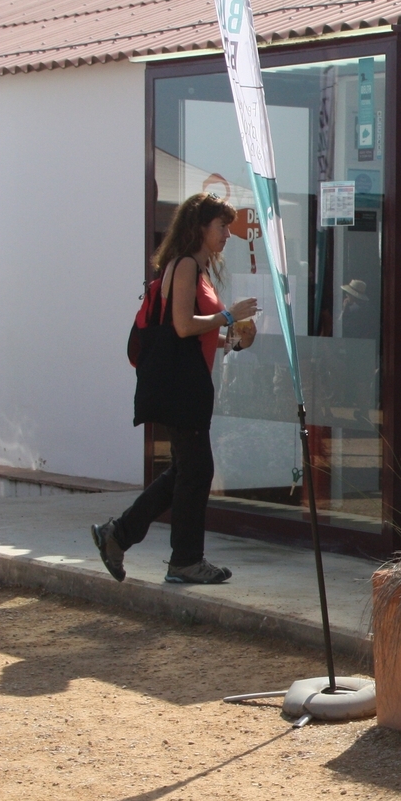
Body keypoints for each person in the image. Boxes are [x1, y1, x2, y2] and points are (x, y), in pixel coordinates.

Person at [92, 194, 258, 585]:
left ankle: (118, 535)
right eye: (221, 226)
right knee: (196, 472)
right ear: (199, 227)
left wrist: (231, 341)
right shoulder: (185, 265)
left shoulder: (196, 268)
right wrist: (229, 315)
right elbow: (183, 325)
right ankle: (184, 560)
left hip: (187, 381)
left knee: (185, 471)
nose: (227, 234)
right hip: (182, 386)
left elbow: (190, 332)